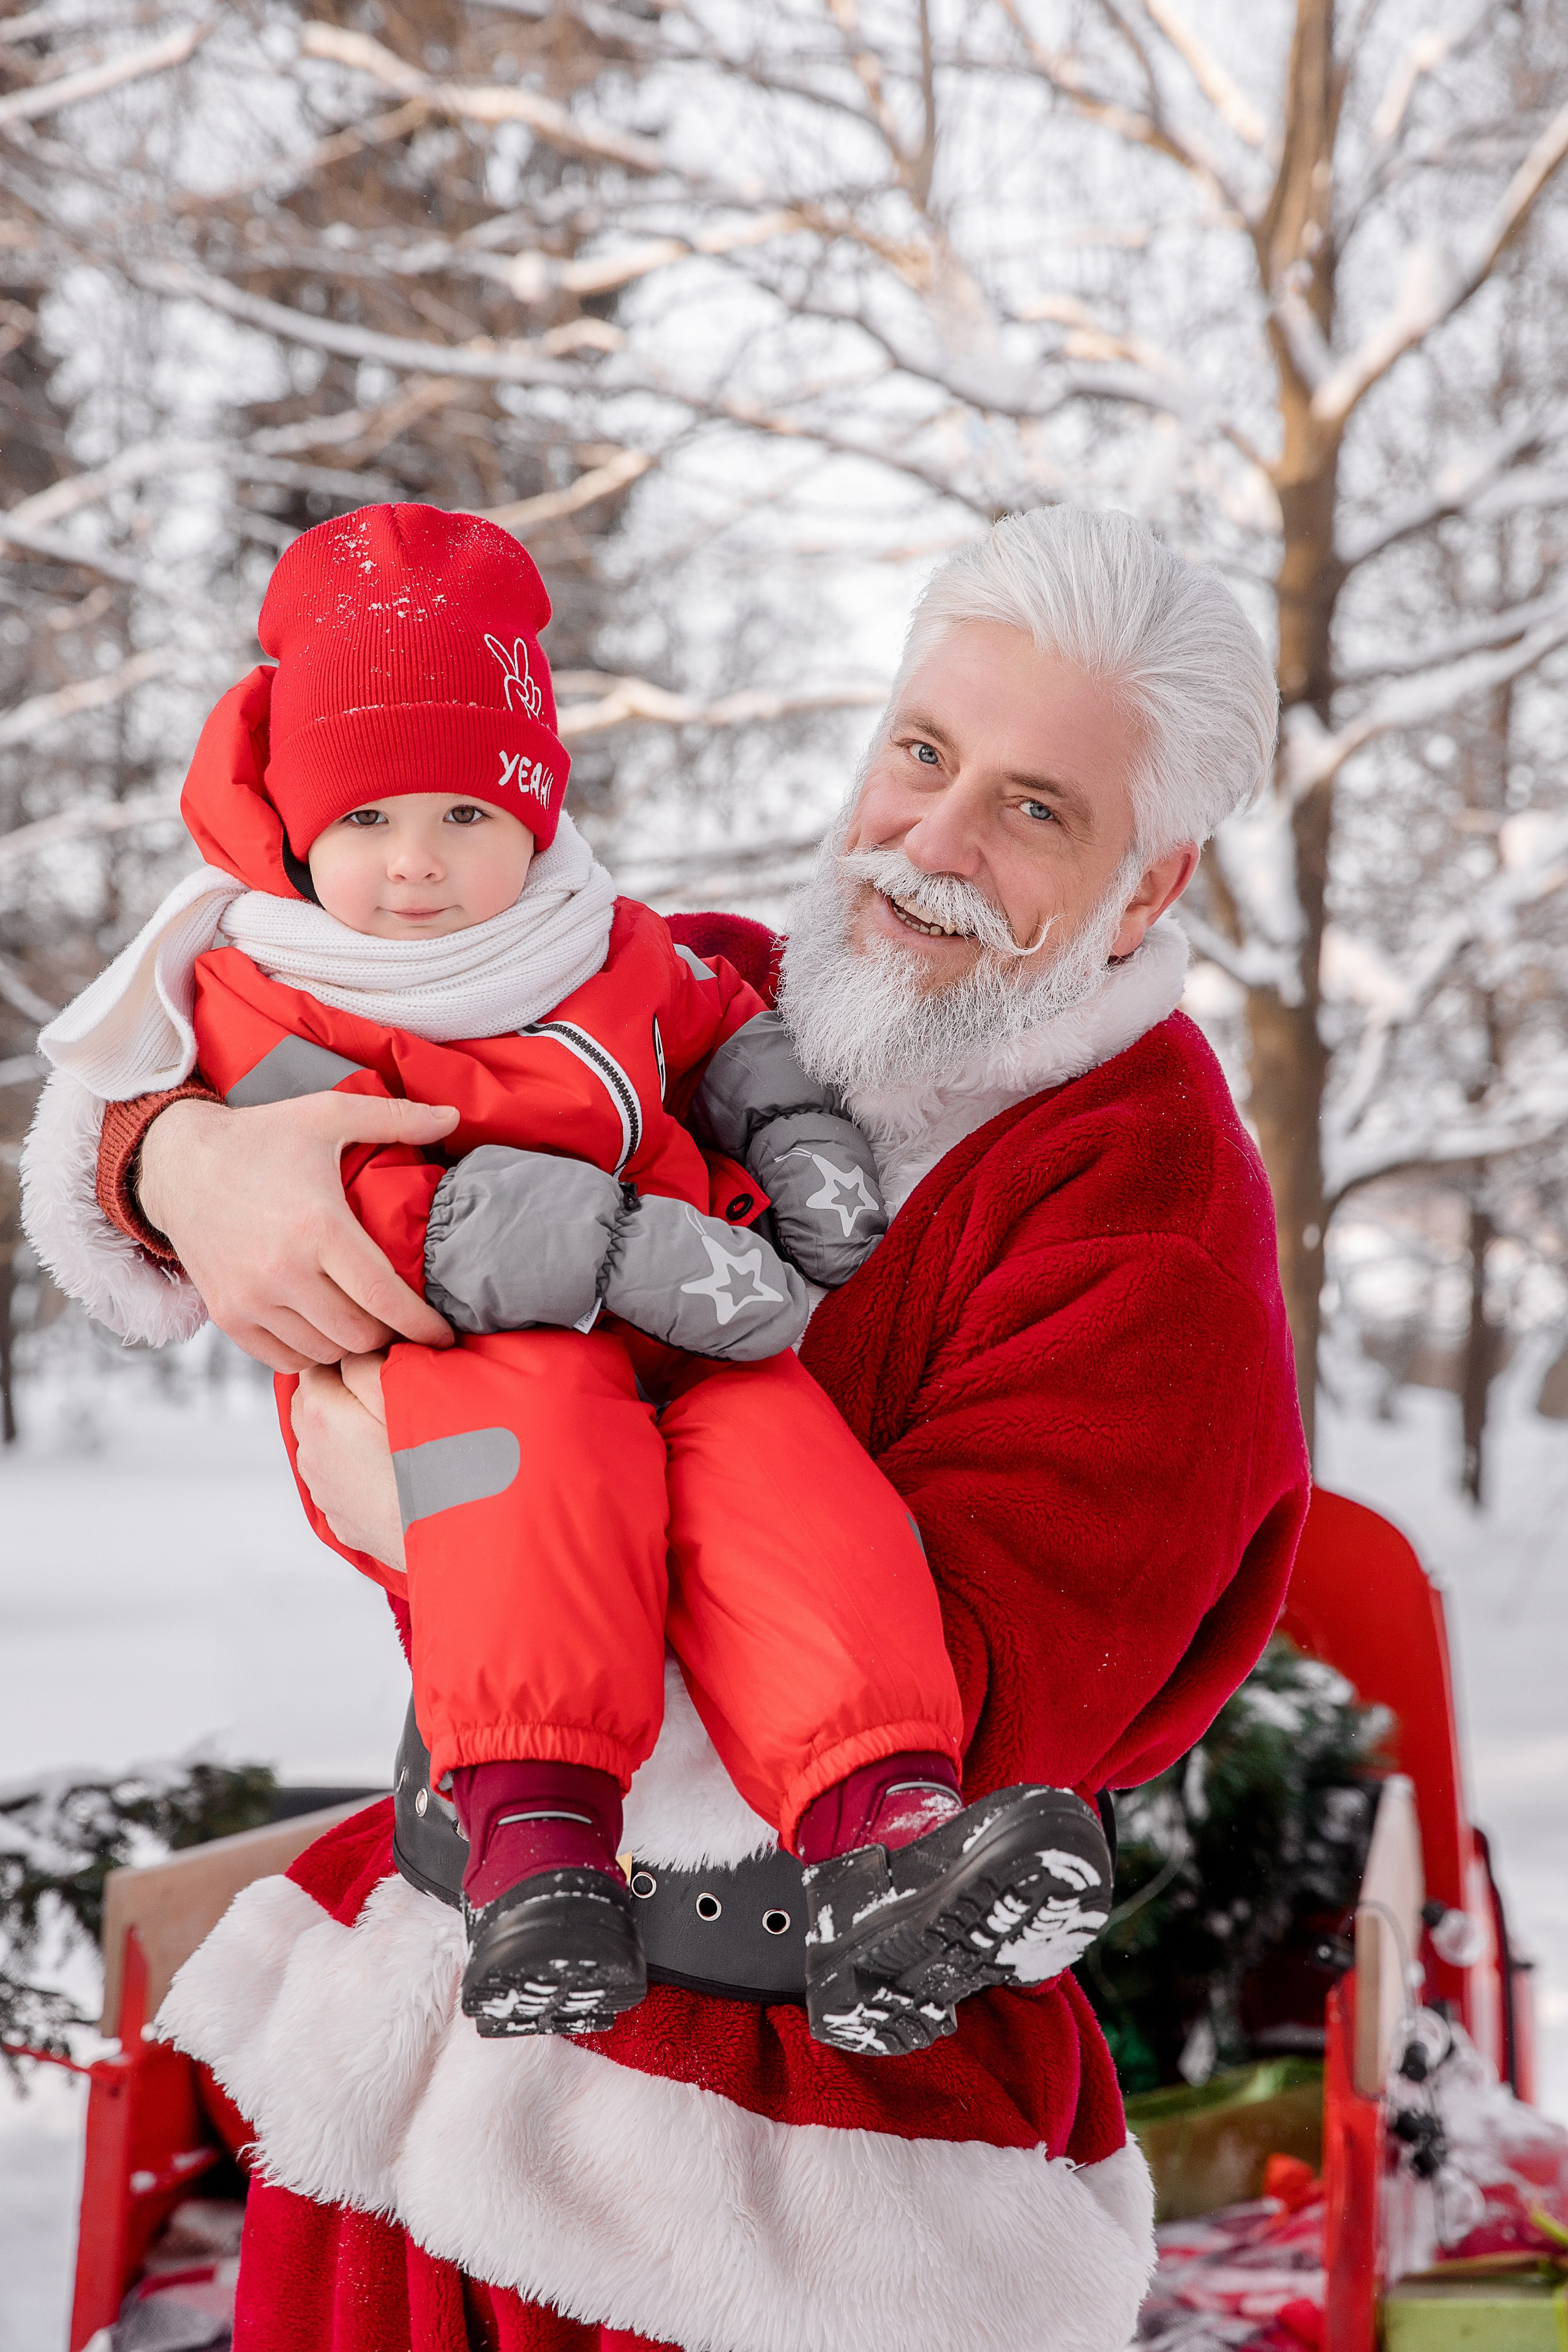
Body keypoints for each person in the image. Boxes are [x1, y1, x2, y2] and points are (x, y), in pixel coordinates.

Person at [23, 505, 1311, 2352]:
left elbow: (945, 1698)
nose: (930, 849)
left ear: (1152, 880)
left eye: (1035, 811)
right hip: (431, 2012)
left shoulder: (1151, 1222)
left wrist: (445, 1500)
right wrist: (184, 1166)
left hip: (782, 2160)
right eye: (922, 756)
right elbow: (256, 1036)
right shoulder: (668, 982)